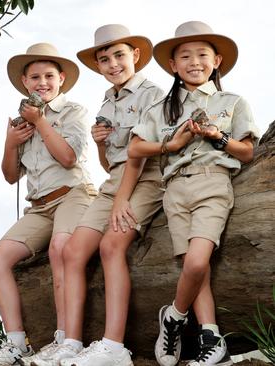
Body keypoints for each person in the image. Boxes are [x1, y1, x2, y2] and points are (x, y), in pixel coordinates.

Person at [127, 21, 259, 366]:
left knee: (199, 260)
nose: (194, 61)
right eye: (184, 56)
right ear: (173, 65)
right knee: (191, 266)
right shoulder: (160, 108)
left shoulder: (232, 102)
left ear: (217, 60)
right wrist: (171, 143)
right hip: (174, 189)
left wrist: (218, 137)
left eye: (202, 54)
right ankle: (211, 336)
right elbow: (136, 149)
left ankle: (173, 314)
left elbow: (247, 151)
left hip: (213, 182)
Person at [49, 25, 165, 366]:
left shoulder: (152, 94)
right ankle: (71, 341)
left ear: (136, 56)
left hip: (146, 179)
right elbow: (109, 162)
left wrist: (121, 201)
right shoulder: (107, 99)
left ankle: (114, 346)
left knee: (111, 245)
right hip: (114, 182)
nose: (113, 64)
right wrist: (100, 144)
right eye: (104, 59)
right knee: (72, 251)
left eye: (119, 55)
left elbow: (141, 156)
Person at [0, 42, 93, 366]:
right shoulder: (19, 123)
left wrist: (42, 123)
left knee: (61, 247)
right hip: (41, 206)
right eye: (35, 77)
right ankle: (17, 342)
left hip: (73, 194)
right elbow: (10, 176)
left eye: (48, 76)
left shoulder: (74, 112)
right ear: (25, 82)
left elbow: (70, 158)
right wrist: (9, 142)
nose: (42, 82)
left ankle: (65, 338)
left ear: (61, 78)